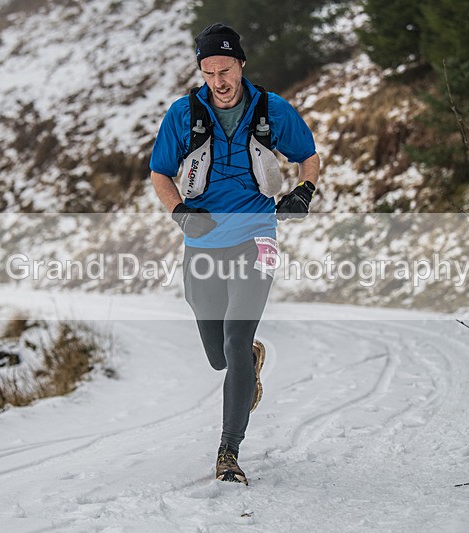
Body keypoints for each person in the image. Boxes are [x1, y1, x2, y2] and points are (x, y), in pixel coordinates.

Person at [149, 22, 320, 485]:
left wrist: (304, 191)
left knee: (235, 341)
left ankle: (229, 451)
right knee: (218, 355)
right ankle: (248, 359)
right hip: (203, 241)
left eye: (225, 70)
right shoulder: (183, 114)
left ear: (241, 64)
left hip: (257, 236)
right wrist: (181, 214)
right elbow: (160, 173)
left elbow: (308, 155)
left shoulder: (272, 110)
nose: (218, 81)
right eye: (208, 72)